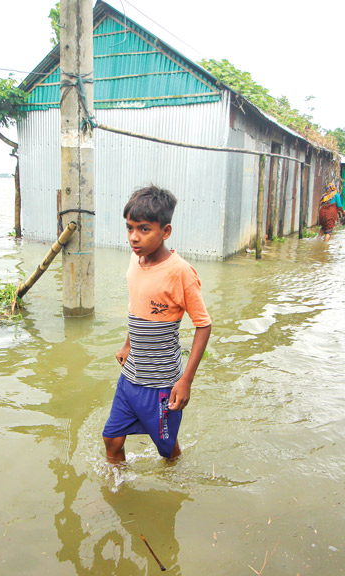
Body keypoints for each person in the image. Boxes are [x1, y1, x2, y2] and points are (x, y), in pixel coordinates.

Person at [103, 186, 212, 464]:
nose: (133, 237)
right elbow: (136, 305)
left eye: (143, 229)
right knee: (112, 439)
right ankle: (118, 493)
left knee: (166, 449)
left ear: (166, 231)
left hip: (162, 383)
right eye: (129, 228)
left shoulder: (180, 272)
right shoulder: (134, 261)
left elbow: (203, 325)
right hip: (131, 375)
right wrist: (128, 344)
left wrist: (185, 381)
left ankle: (174, 490)